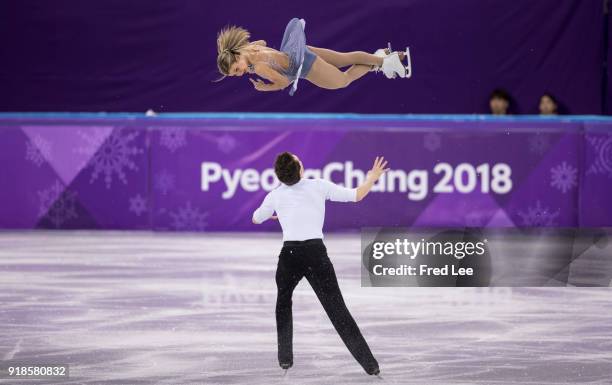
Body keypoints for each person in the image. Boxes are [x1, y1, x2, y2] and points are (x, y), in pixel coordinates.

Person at [252, 152, 389, 376]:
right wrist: (371, 179)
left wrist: (276, 214)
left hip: (290, 255)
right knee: (337, 310)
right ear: (300, 168)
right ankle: (370, 365)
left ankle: (285, 359)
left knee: (283, 304)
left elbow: (256, 218)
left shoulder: (275, 196)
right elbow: (357, 195)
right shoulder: (318, 186)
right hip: (316, 255)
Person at [216, 18, 410, 96]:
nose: (239, 74)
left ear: (236, 56)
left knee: (343, 80)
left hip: (305, 66)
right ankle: (382, 59)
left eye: (236, 69)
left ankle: (383, 61)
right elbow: (264, 43)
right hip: (300, 50)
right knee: (345, 58)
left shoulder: (258, 67)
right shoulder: (251, 48)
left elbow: (284, 82)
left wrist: (265, 87)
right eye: (235, 75)